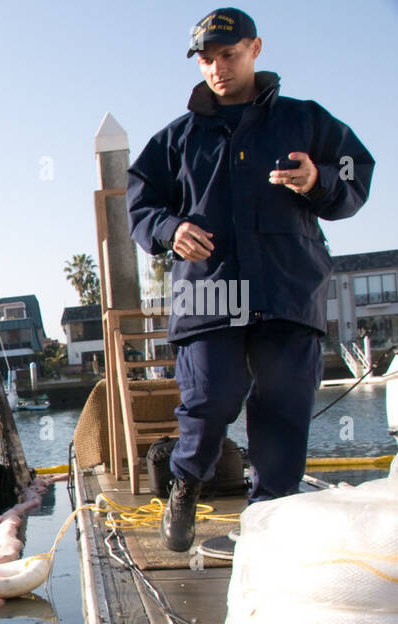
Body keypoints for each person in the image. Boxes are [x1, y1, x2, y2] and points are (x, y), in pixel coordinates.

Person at [126, 7, 374, 555]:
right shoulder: (176, 138)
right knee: (212, 397)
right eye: (207, 60)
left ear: (256, 49)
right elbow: (141, 204)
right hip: (209, 293)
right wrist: (171, 228)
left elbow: (358, 170)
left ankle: (268, 525)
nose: (217, 68)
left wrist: (319, 179)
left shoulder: (306, 120)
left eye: (229, 55)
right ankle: (186, 484)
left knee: (285, 404)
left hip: (288, 288)